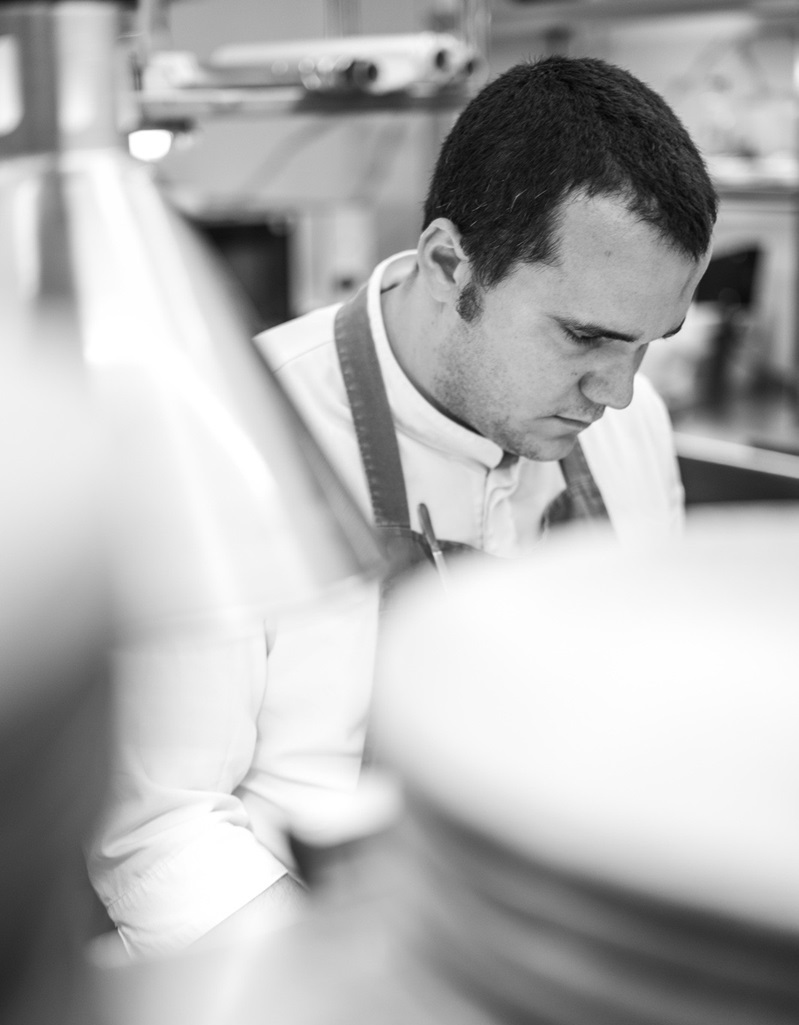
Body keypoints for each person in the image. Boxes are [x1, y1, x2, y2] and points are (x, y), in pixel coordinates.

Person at [87, 54, 718, 958]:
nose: (616, 391)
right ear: (449, 262)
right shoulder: (228, 441)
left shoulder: (632, 425)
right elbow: (164, 831)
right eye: (584, 337)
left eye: (649, 344)